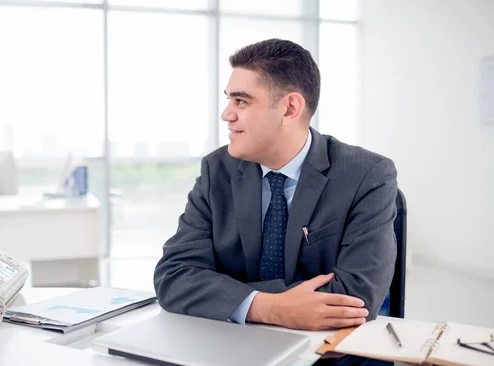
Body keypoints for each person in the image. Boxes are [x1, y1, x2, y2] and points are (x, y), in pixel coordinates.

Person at [153, 38, 398, 331]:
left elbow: (357, 298)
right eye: (228, 99)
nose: (226, 114)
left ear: (289, 108)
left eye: (241, 101)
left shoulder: (367, 174)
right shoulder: (217, 169)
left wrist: (230, 293)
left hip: (328, 363)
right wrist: (269, 308)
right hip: (231, 350)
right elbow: (174, 276)